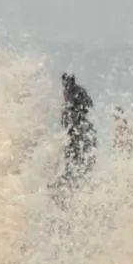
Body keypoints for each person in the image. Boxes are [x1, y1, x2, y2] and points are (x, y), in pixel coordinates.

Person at [51, 72, 97, 207]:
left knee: (75, 163)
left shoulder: (76, 91)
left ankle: (71, 191)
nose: (66, 84)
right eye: (65, 81)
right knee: (70, 163)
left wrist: (75, 111)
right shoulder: (70, 93)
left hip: (79, 133)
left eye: (68, 81)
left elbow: (88, 105)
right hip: (74, 133)